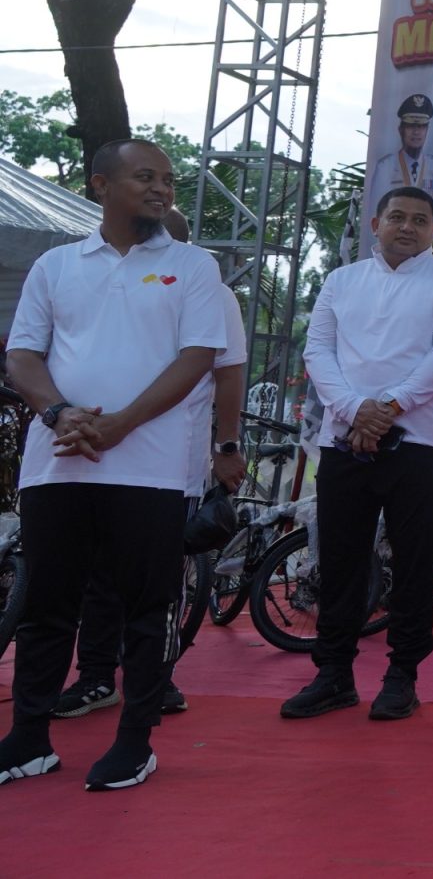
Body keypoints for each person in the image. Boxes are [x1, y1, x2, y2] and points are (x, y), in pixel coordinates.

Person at [0, 139, 228, 791]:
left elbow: (197, 358)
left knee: (146, 609)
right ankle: (29, 738)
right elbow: (22, 355)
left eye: (168, 179)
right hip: (58, 464)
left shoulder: (194, 266)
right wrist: (58, 414)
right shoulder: (56, 265)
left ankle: (135, 742)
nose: (162, 188)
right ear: (101, 185)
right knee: (46, 605)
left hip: (150, 469)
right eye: (145, 176)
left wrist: (122, 422)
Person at [284, 186, 433, 723]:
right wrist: (355, 410)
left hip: (423, 442)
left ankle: (402, 677)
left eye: (419, 220)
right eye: (397, 217)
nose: (407, 227)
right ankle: (333, 675)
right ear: (376, 223)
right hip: (345, 439)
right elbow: (318, 349)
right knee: (340, 561)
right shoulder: (342, 281)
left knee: (414, 566)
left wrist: (389, 407)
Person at [52, 208, 248, 721]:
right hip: (95, 453)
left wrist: (226, 445)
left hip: (167, 460)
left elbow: (228, 373)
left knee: (158, 578)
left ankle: (155, 679)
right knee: (100, 573)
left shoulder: (210, 290)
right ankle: (96, 677)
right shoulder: (94, 278)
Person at [366, 94, 433, 211]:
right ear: (401, 130)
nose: (416, 132)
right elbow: (375, 210)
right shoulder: (385, 167)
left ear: (427, 130)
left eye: (421, 126)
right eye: (411, 126)